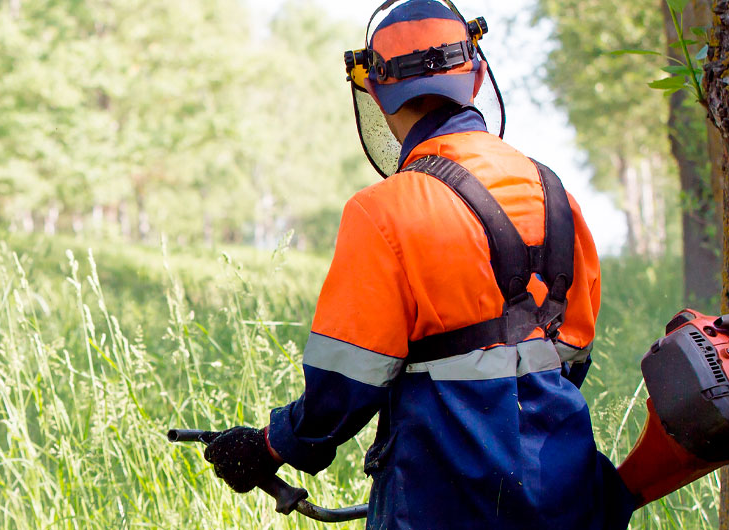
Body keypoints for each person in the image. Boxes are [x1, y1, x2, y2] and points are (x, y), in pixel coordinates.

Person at [200, 1, 638, 527]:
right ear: (476, 76)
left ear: (377, 93)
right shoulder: (555, 194)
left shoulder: (383, 212)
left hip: (437, 502)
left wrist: (269, 446)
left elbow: (343, 387)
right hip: (566, 496)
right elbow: (573, 355)